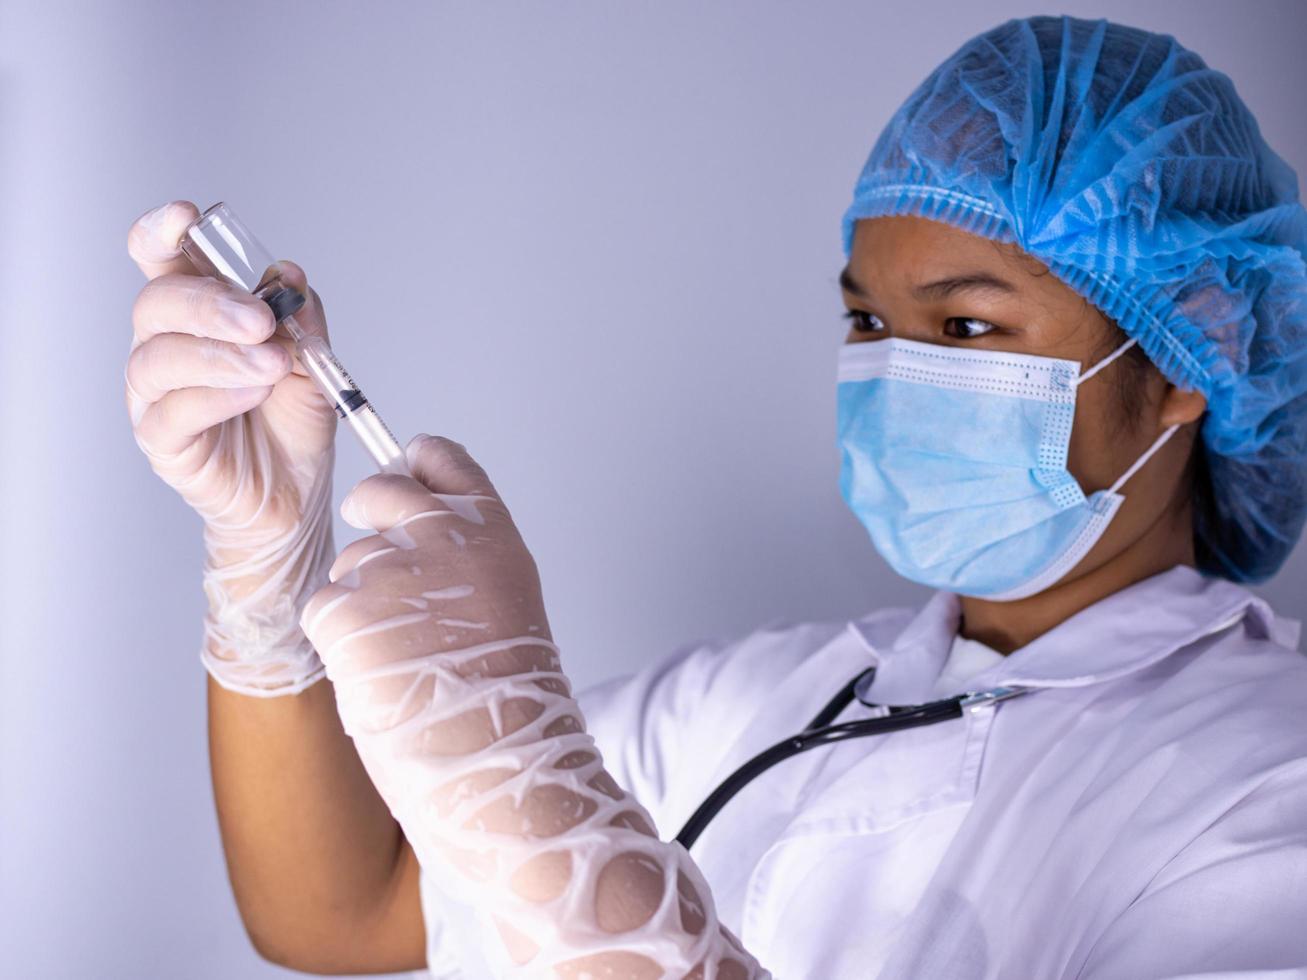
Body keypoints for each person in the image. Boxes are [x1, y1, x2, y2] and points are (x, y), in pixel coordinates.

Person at [124, 13, 1307, 979]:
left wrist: (568, 844)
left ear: (1182, 361)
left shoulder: (1266, 779)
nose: (894, 368)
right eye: (863, 320)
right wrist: (268, 562)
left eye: (963, 324)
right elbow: (344, 911)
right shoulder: (753, 701)